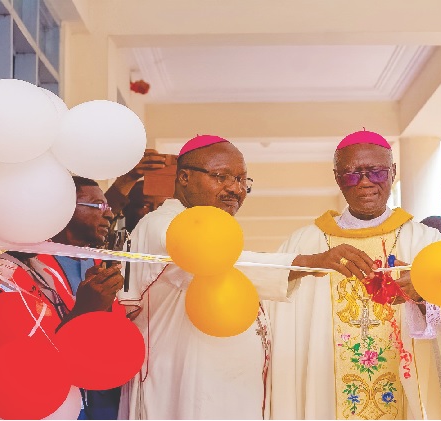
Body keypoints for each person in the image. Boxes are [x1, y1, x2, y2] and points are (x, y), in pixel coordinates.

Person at [117, 135, 375, 420]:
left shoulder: (209, 228)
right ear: (184, 177)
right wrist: (307, 262)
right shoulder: (163, 225)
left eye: (242, 180)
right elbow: (213, 263)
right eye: (221, 176)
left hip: (229, 390)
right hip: (182, 388)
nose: (235, 189)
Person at [268, 129, 441, 419]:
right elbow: (272, 304)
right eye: (351, 174)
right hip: (326, 388)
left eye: (376, 172)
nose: (365, 183)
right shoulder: (306, 242)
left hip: (401, 378)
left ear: (393, 172)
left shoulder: (426, 241)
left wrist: (424, 295)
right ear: (337, 178)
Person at [0, 176, 124, 420]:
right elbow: (34, 353)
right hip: (39, 401)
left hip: (93, 397)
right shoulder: (4, 270)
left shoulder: (95, 263)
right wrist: (86, 309)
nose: (109, 214)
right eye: (98, 206)